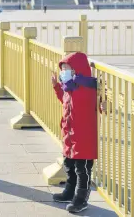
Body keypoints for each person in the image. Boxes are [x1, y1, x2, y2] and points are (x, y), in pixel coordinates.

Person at [50, 52, 98, 213]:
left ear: (77, 70)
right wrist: (57, 86)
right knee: (69, 165)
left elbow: (100, 102)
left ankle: (81, 198)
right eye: (62, 69)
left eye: (67, 69)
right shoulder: (69, 87)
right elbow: (63, 100)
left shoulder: (88, 88)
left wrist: (105, 104)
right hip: (69, 136)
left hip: (83, 138)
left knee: (82, 169)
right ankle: (70, 191)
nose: (63, 72)